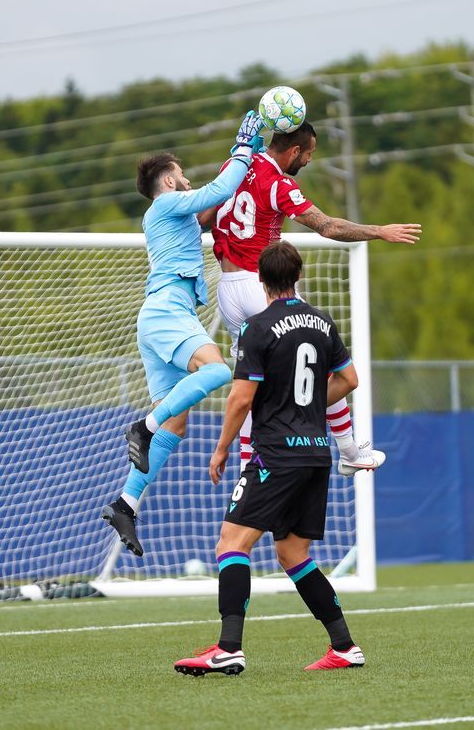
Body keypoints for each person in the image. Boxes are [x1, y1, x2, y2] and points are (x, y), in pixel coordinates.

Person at [174, 241, 366, 676]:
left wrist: (222, 448)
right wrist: (310, 408)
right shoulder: (322, 322)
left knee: (231, 543)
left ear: (261, 282)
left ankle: (228, 648)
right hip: (316, 454)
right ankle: (344, 646)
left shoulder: (257, 328)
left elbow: (241, 398)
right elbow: (349, 379)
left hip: (276, 454)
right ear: (297, 277)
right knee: (292, 553)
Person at [197, 120, 420, 475]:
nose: (311, 160)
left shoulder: (236, 164)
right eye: (311, 153)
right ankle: (348, 450)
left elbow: (203, 215)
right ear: (295, 151)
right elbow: (327, 226)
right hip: (263, 287)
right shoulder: (279, 184)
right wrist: (379, 231)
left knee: (251, 382)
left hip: (227, 290)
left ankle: (247, 473)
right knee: (317, 368)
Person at [100, 111, 265, 557]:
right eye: (182, 175)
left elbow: (212, 205)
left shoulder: (174, 215)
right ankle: (142, 427)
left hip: (157, 318)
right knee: (218, 372)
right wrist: (242, 148)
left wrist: (245, 164)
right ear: (168, 183)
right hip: (168, 313)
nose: (187, 180)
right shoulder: (164, 205)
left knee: (178, 420)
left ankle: (126, 503)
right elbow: (217, 191)